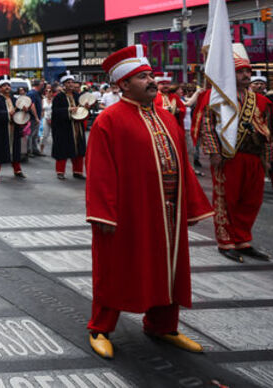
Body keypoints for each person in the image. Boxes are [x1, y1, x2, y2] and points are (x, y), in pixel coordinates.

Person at [85, 44, 213, 359]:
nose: (151, 81)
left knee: (168, 269)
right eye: (142, 77)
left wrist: (193, 204)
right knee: (116, 269)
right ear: (124, 84)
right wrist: (104, 214)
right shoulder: (108, 120)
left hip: (167, 212)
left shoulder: (168, 119)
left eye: (151, 75)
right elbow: (99, 171)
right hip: (127, 213)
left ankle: (163, 326)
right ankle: (100, 328)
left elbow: (182, 163)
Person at [199, 44, 273, 262]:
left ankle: (243, 240)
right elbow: (207, 124)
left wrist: (269, 158)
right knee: (227, 201)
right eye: (240, 71)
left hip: (254, 159)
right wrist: (214, 152)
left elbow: (267, 129)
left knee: (251, 201)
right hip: (228, 157)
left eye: (247, 71)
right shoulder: (217, 99)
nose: (245, 75)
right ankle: (226, 241)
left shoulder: (261, 101)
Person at [51, 72, 87, 180]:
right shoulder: (59, 97)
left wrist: (86, 107)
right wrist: (68, 110)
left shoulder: (78, 96)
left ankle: (78, 172)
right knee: (63, 150)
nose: (71, 84)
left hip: (77, 127)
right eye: (68, 82)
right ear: (64, 84)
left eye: (72, 82)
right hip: (64, 128)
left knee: (79, 150)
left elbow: (82, 110)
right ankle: (60, 172)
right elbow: (55, 112)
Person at [0, 75, 25, 178]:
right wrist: (8, 113)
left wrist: (23, 110)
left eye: (8, 85)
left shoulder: (15, 100)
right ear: (0, 88)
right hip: (1, 129)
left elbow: (19, 113)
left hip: (14, 129)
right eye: (4, 85)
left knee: (15, 150)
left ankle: (17, 170)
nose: (7, 87)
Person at [27, 79, 44, 156]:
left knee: (35, 134)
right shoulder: (32, 93)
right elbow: (32, 105)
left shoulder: (36, 93)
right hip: (32, 118)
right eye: (41, 85)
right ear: (39, 85)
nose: (42, 87)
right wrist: (36, 117)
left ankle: (34, 149)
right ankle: (29, 150)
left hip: (36, 117)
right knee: (30, 134)